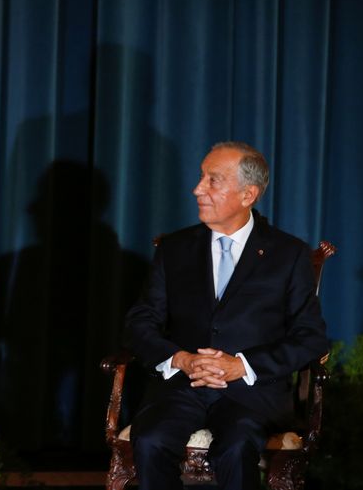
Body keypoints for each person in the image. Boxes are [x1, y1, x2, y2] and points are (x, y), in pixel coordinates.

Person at [125, 142, 328, 490]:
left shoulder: (288, 254)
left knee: (236, 447)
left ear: (248, 193)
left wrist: (242, 366)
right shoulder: (174, 248)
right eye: (201, 177)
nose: (197, 189)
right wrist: (181, 358)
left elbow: (310, 337)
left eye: (212, 180)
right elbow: (139, 323)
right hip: (181, 387)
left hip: (251, 394)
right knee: (150, 440)